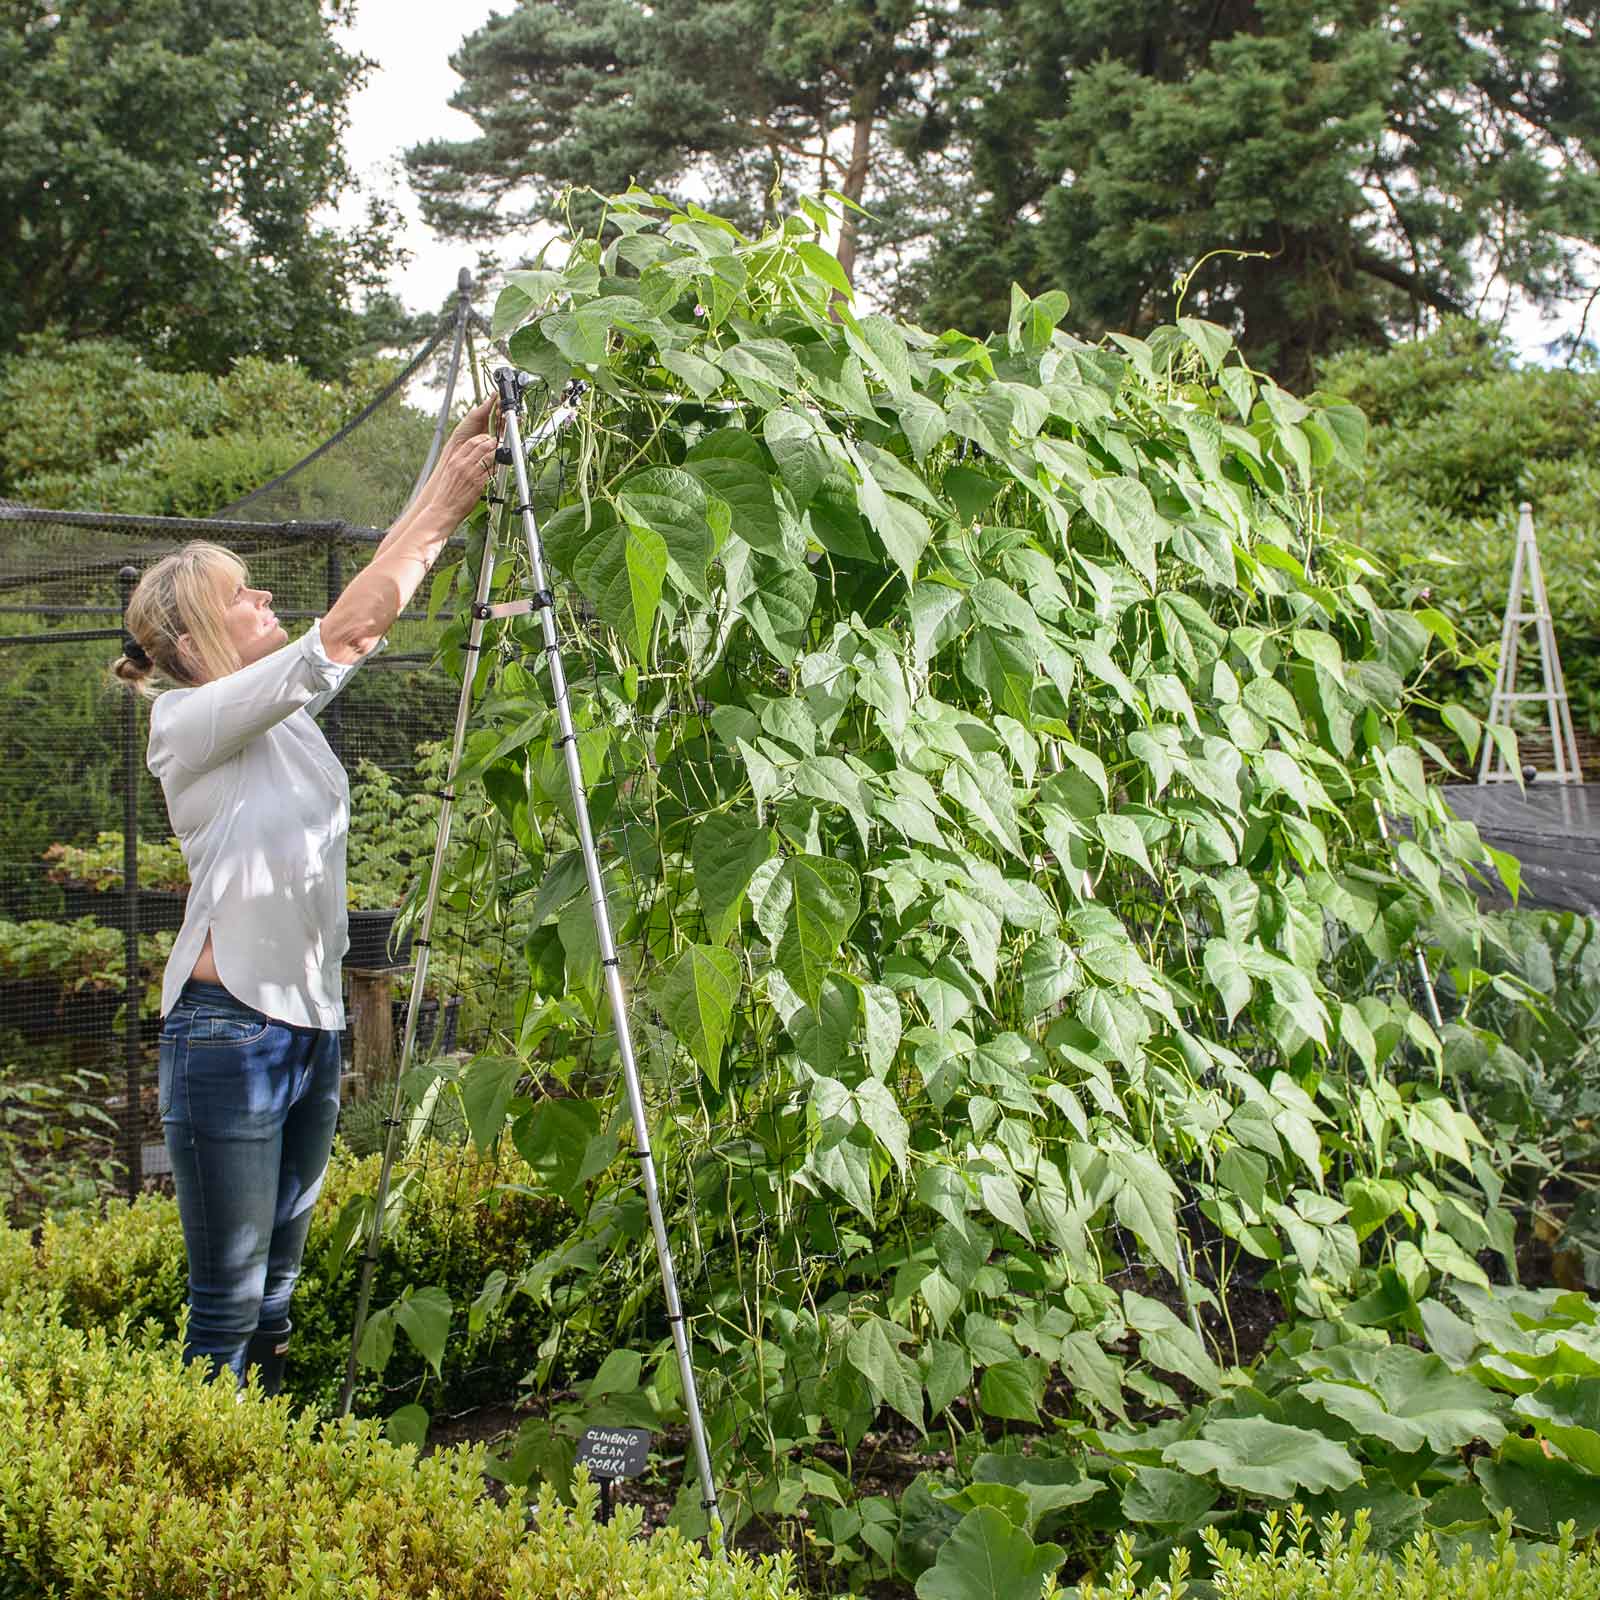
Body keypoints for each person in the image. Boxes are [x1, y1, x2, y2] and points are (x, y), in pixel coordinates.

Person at [111, 396, 500, 1396]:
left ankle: (277, 1488)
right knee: (227, 1302)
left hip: (309, 1026)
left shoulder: (275, 711)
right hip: (229, 1027)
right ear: (197, 633)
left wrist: (459, 454)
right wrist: (445, 510)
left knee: (277, 1295)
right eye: (245, 593)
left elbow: (347, 634)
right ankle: (199, 1507)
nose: (267, 596)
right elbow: (356, 623)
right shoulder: (191, 719)